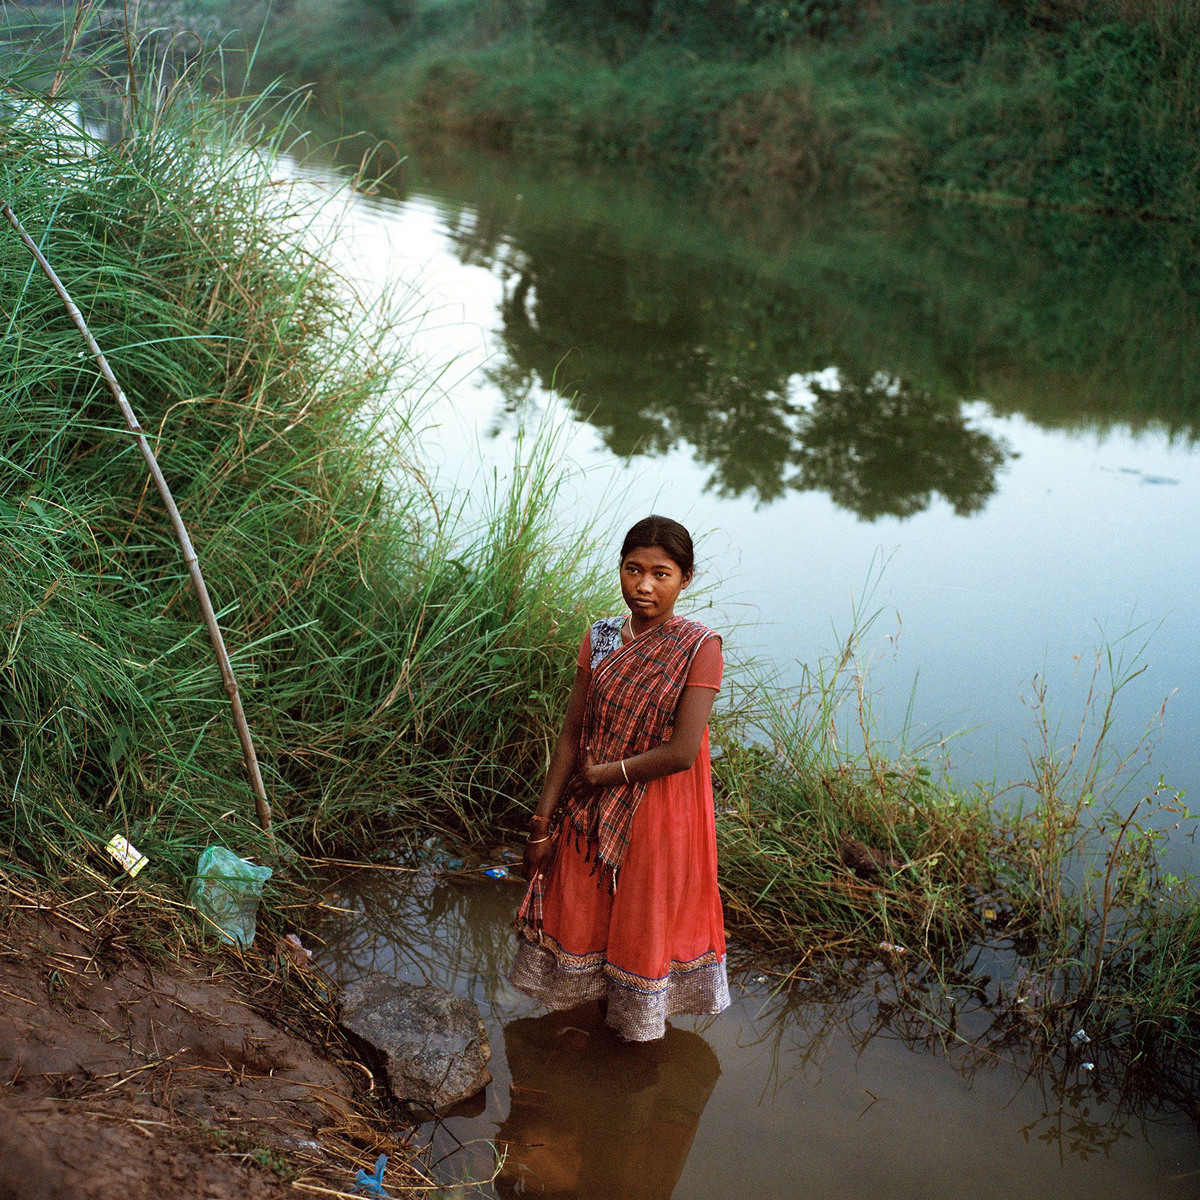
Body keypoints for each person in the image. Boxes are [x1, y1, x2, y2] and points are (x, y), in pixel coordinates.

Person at [510, 515, 730, 1041]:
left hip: (659, 811)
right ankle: (586, 1049)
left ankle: (633, 1040)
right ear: (621, 570)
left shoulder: (700, 647)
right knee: (585, 914)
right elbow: (572, 732)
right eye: (634, 570)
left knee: (641, 921)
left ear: (686, 579)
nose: (645, 586)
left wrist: (605, 774)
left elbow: (680, 752)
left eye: (662, 573)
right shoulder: (603, 636)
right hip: (588, 809)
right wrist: (541, 822)